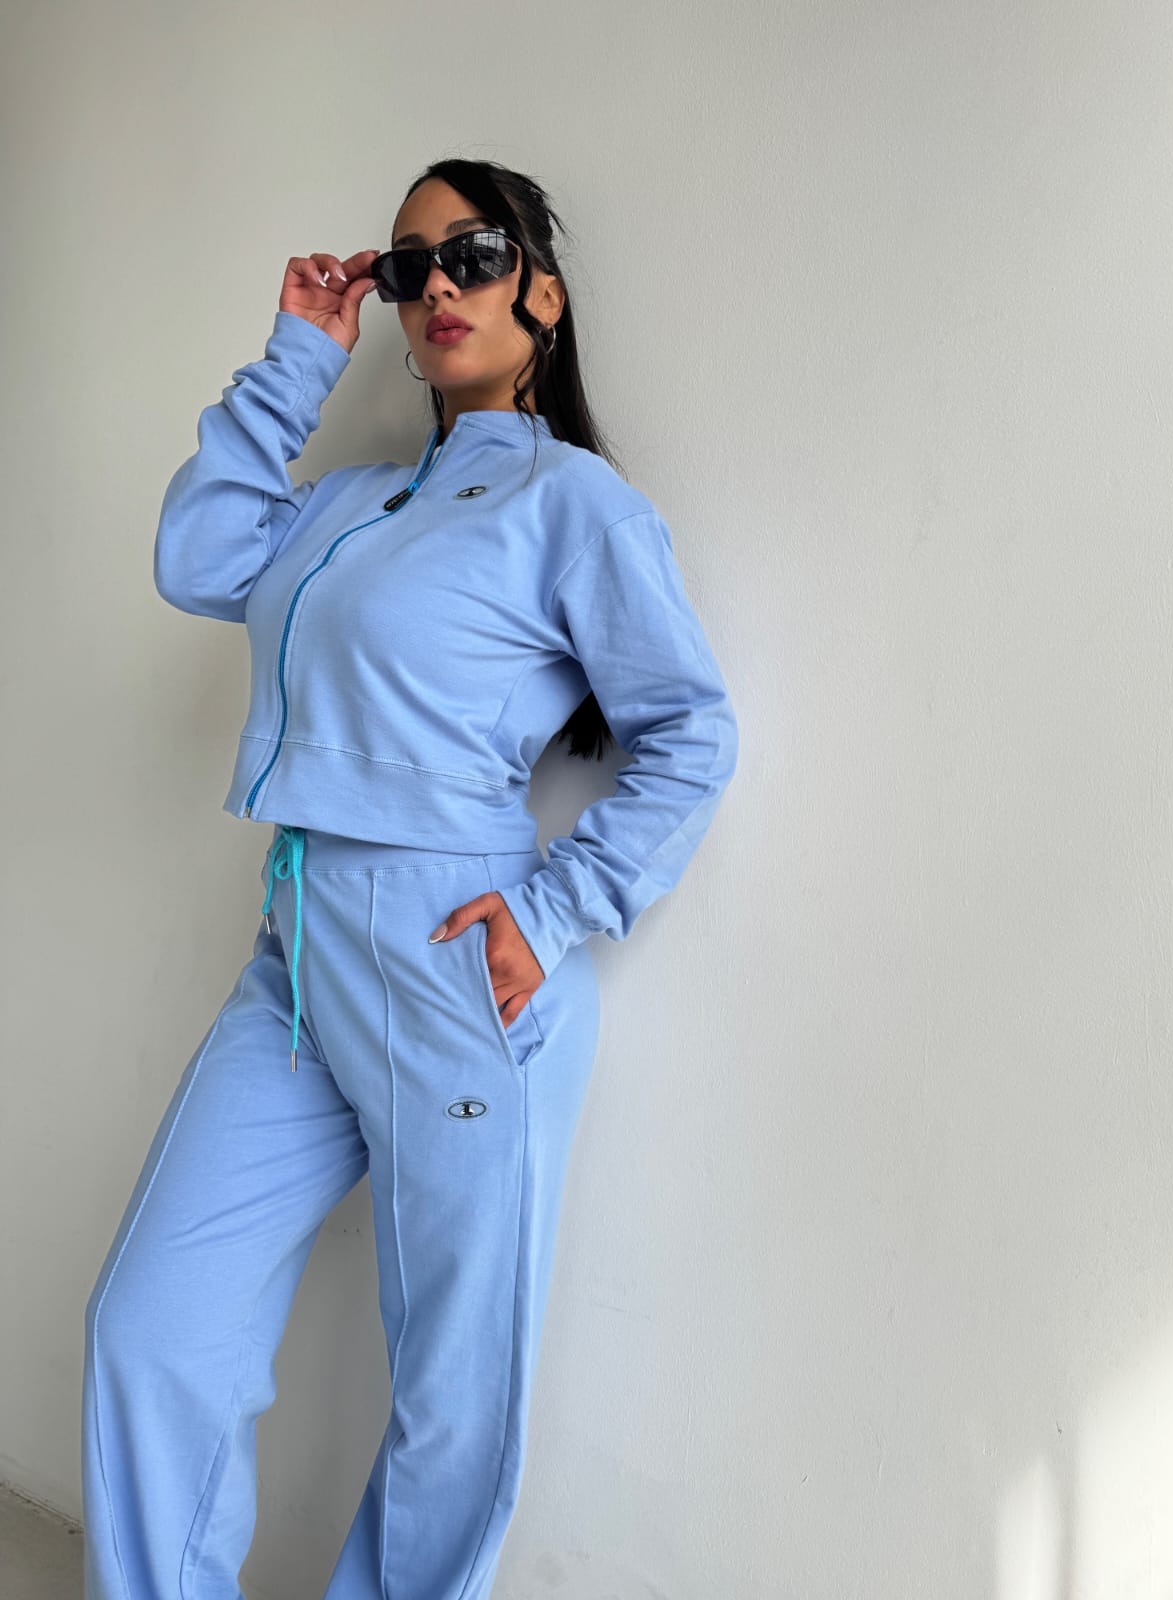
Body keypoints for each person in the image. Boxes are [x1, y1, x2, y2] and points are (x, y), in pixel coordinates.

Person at [81, 157, 739, 1600]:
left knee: (453, 1398)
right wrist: (295, 360)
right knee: (153, 1327)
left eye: (474, 254)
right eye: (407, 266)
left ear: (541, 293)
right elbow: (198, 558)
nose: (437, 284)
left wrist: (556, 912)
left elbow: (692, 732)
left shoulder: (573, 504)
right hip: (298, 957)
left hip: (456, 961)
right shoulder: (351, 502)